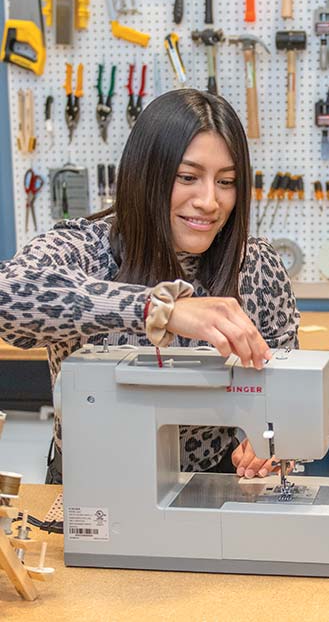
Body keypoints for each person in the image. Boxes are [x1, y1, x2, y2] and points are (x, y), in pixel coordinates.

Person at [0, 89, 299, 484]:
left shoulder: (257, 266)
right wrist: (161, 310)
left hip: (216, 483)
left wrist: (275, 444)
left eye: (226, 182)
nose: (210, 201)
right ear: (147, 175)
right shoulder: (88, 250)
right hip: (93, 488)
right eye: (188, 178)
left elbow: (287, 394)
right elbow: (9, 298)